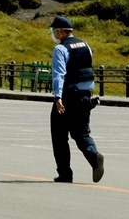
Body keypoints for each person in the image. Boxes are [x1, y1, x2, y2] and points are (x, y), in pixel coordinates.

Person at [49, 15, 104, 184]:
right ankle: (94, 157)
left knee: (59, 135)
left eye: (55, 31)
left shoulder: (61, 49)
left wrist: (57, 97)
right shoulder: (85, 45)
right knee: (81, 133)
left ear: (60, 32)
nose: (54, 34)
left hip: (68, 97)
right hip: (85, 96)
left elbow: (59, 74)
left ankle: (65, 173)